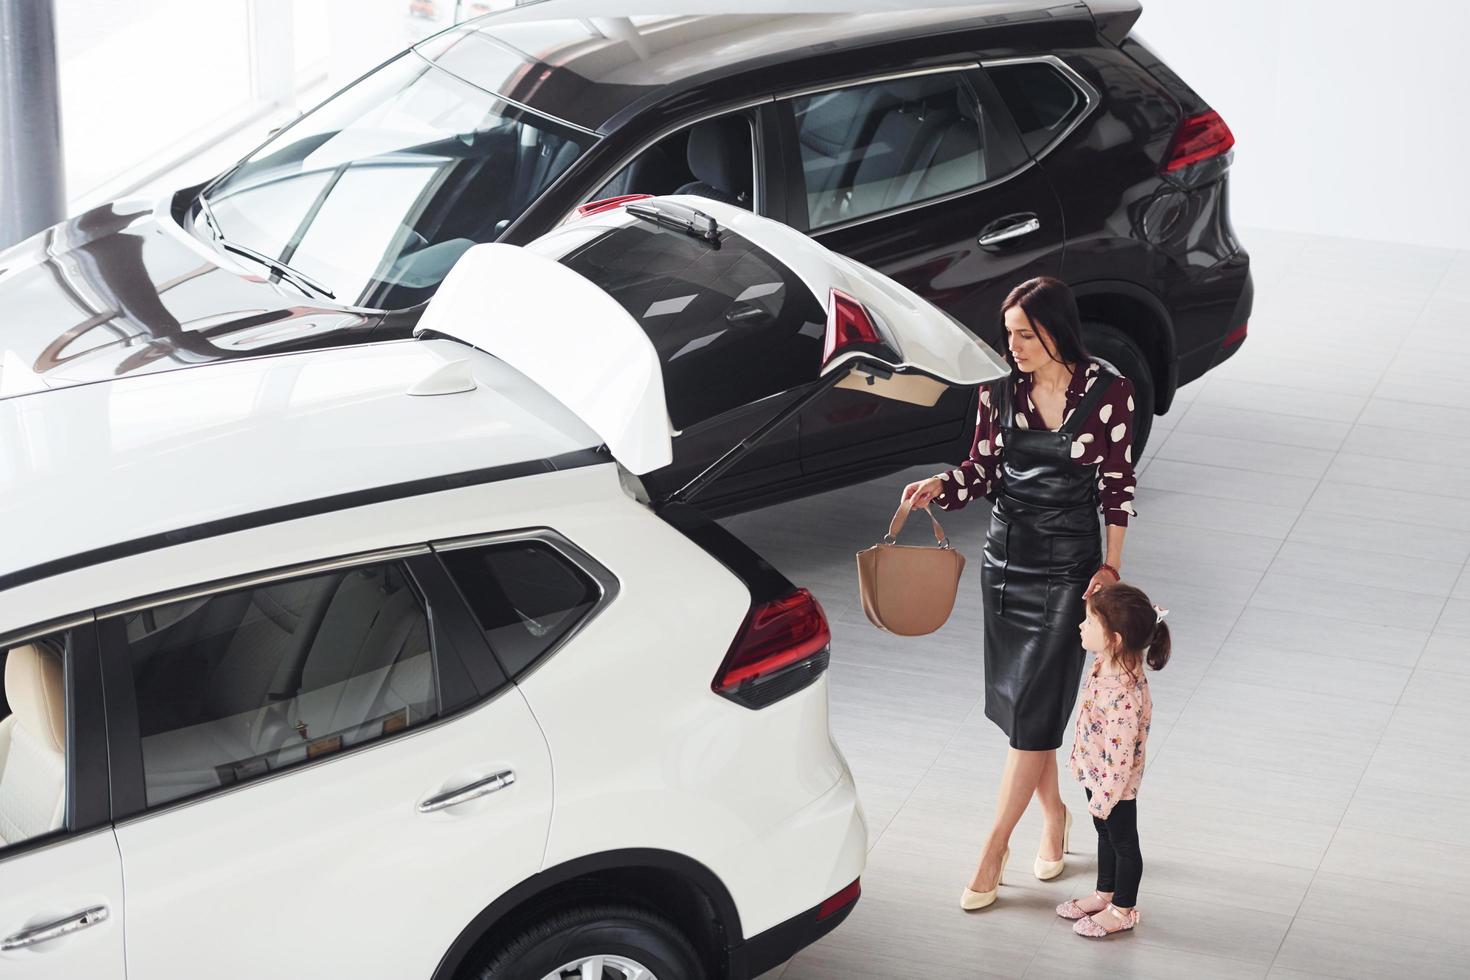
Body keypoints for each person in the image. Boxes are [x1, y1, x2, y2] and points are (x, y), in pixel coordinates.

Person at [901, 276, 1139, 911]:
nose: (1013, 348)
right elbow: (982, 468)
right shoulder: (996, 388)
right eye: (1008, 335)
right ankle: (1056, 816)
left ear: (1057, 331)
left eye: (1025, 336)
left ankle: (993, 846)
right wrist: (939, 488)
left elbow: (1116, 485)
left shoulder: (1111, 394)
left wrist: (1111, 569)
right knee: (1022, 712)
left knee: (1033, 710)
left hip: (1071, 571)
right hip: (1005, 563)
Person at [1056, 581, 1170, 938]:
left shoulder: (1124, 694)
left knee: (1123, 843)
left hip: (1114, 785)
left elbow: (1120, 759)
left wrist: (1105, 797)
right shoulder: (1107, 659)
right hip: (1095, 773)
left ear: (1115, 639)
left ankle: (1123, 908)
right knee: (1104, 836)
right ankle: (1105, 893)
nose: (1081, 626)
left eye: (1089, 622)